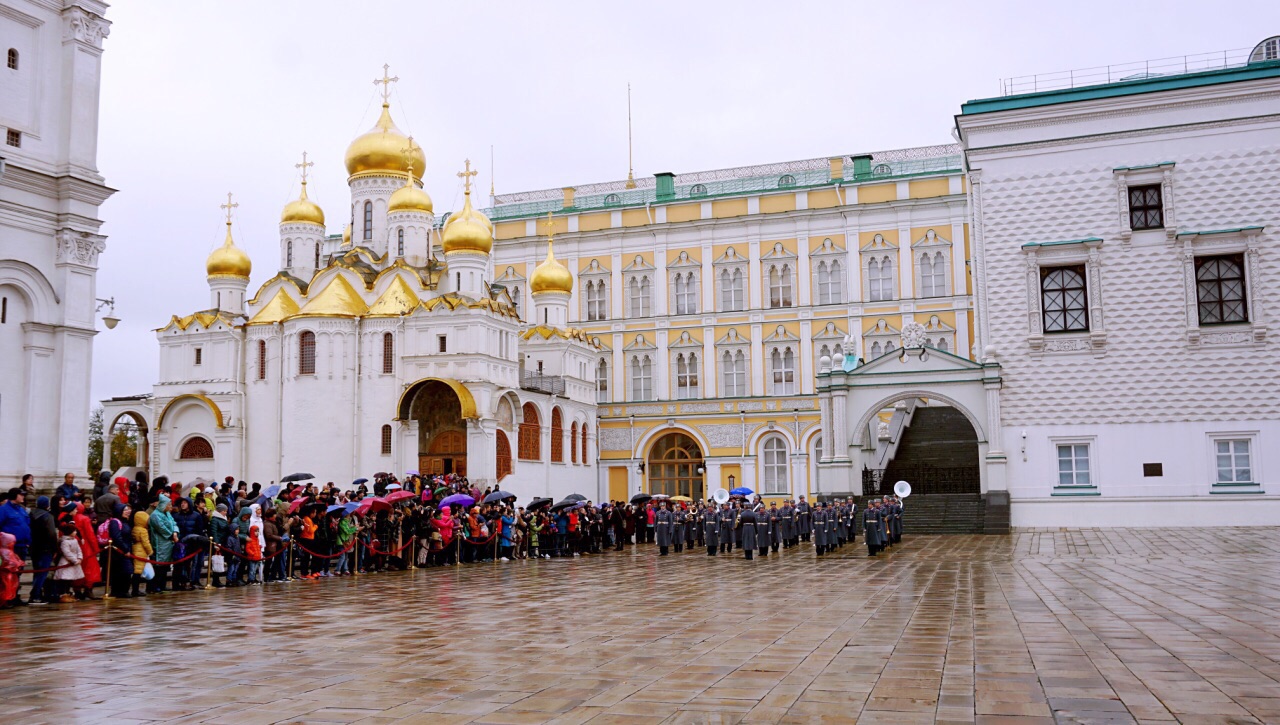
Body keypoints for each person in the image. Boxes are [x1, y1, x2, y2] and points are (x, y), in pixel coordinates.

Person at [0, 488, 30, 604]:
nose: (23, 497)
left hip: (22, 545)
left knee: (19, 572)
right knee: (8, 574)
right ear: (14, 496)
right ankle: (6, 597)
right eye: (21, 495)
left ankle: (14, 595)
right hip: (9, 548)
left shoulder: (21, 509)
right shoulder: (4, 510)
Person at [28, 496, 57, 604]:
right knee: (42, 572)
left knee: (37, 571)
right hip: (46, 547)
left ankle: (36, 593)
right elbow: (52, 533)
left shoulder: (31, 515)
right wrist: (55, 548)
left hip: (34, 547)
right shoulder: (47, 516)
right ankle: (35, 595)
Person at [148, 496, 177, 593]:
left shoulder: (168, 514)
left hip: (169, 543)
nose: (170, 507)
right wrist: (171, 535)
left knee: (165, 566)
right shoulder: (155, 515)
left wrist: (175, 532)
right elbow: (161, 528)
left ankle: (162, 585)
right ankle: (155, 585)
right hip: (160, 543)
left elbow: (174, 523)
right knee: (159, 565)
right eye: (169, 505)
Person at [0, 532, 22, 608]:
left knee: (9, 587)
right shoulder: (5, 552)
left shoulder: (8, 551)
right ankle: (4, 602)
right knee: (6, 588)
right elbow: (9, 562)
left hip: (10, 574)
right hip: (6, 574)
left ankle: (6, 601)